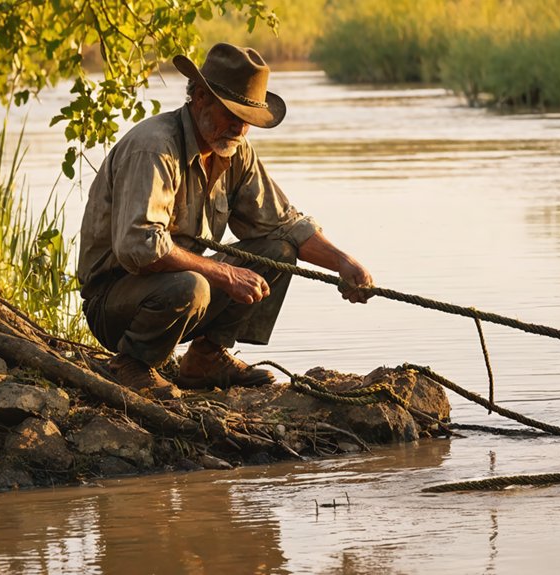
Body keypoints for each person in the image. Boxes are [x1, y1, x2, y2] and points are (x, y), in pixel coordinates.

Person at [78, 43, 374, 400]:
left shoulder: (235, 151)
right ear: (200, 98)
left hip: (180, 286)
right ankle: (131, 365)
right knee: (193, 286)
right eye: (230, 114)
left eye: (246, 119)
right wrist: (224, 274)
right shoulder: (155, 147)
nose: (238, 127)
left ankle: (205, 358)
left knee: (277, 250)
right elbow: (140, 248)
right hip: (114, 301)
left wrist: (343, 262)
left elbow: (283, 224)